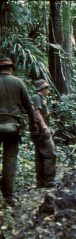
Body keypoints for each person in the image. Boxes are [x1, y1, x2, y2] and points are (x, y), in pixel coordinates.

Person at [0, 56, 36, 205]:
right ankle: (9, 196)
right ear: (11, 68)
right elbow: (29, 106)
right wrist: (33, 125)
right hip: (13, 127)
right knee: (10, 161)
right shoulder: (18, 82)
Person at [31, 79, 57, 188]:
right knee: (51, 154)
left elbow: (41, 112)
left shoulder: (41, 98)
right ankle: (49, 180)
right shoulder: (36, 97)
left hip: (39, 130)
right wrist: (44, 126)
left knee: (40, 155)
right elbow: (36, 113)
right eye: (46, 88)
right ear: (42, 89)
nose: (48, 90)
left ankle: (40, 181)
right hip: (41, 131)